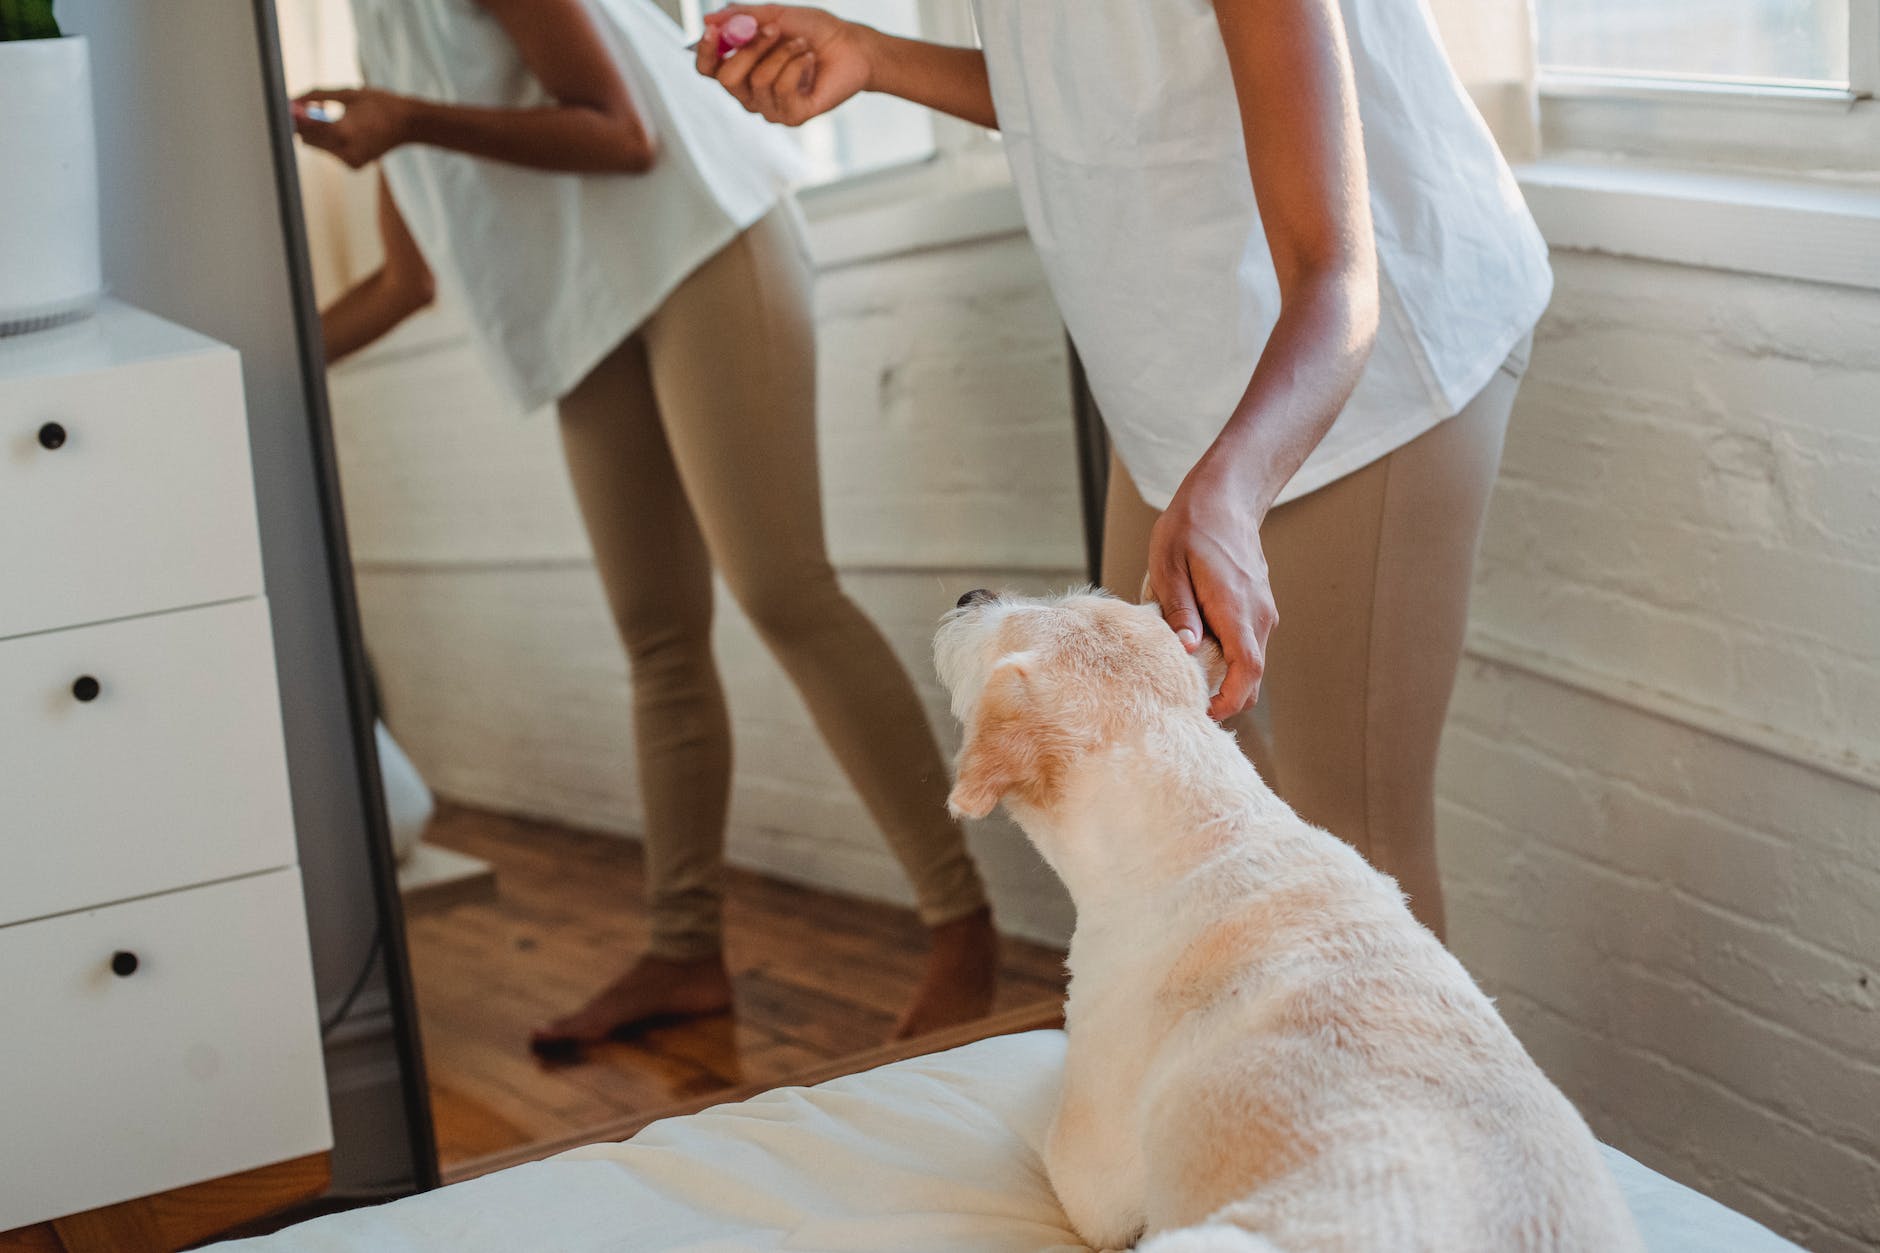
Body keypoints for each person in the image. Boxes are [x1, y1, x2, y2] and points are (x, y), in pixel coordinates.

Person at [696, 0, 1552, 938]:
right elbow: (1090, 87)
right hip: (1183, 387)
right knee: (1163, 824)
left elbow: (1334, 275)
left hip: (1366, 372)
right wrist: (871, 55)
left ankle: (1392, 1088)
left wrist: (1229, 493)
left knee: (1352, 862)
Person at [297, 0, 1001, 1051]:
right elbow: (408, 281)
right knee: (656, 634)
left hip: (699, 234)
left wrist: (408, 119)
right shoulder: (377, 32)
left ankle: (963, 928)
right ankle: (682, 950)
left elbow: (621, 133)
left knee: (781, 589)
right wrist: (258, 363)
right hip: (590, 303)